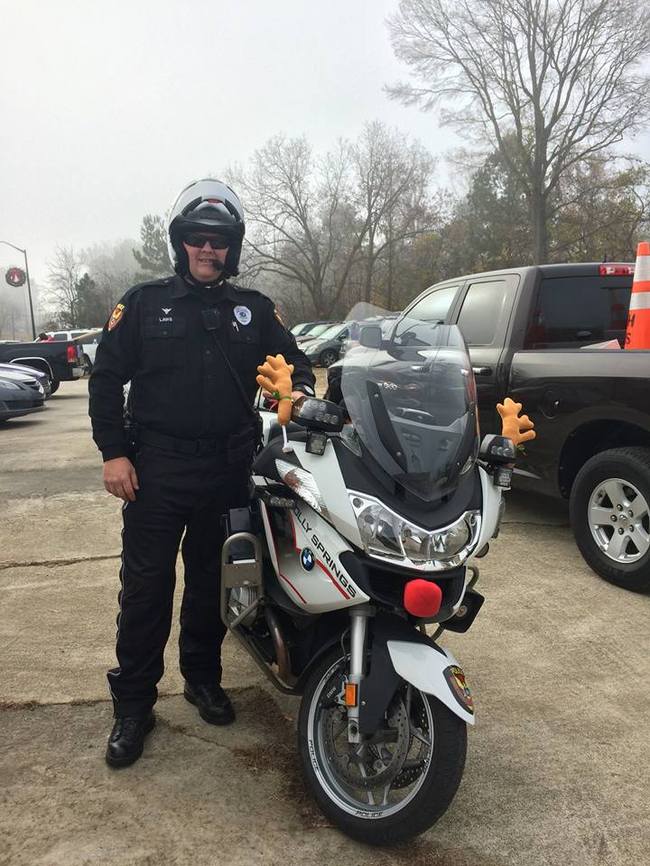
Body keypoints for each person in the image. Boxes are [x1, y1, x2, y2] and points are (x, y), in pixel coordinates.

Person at [89, 179, 315, 768]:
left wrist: (297, 394)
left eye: (218, 240)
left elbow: (297, 367)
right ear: (181, 243)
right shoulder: (143, 304)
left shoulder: (255, 310)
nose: (207, 249)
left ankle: (202, 678)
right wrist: (114, 453)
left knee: (213, 584)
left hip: (228, 468)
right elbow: (105, 380)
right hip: (156, 470)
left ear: (231, 248)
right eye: (197, 238)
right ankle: (134, 705)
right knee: (146, 590)